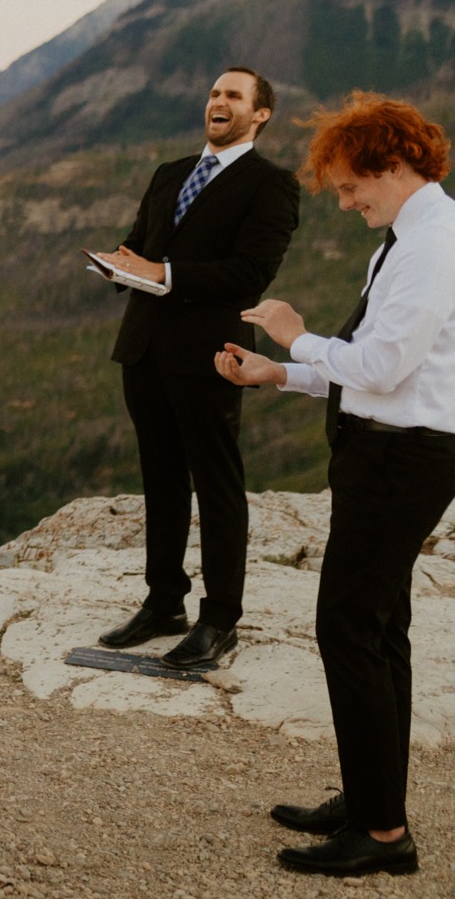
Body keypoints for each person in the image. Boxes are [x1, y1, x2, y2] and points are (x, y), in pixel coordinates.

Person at [216, 92, 455, 877]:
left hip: (403, 458)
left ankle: (383, 837)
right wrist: (281, 372)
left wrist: (296, 333)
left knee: (347, 628)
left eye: (352, 185)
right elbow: (372, 371)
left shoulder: (431, 246)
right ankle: (371, 799)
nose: (346, 201)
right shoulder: (405, 239)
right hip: (388, 446)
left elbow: (384, 369)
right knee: (380, 632)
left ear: (395, 163)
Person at [91, 67, 299, 668]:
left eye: (233, 95)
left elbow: (250, 275)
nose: (218, 101)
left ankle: (220, 618)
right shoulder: (169, 174)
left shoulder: (271, 187)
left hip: (212, 357)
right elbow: (140, 245)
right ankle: (163, 601)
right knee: (160, 478)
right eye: (213, 92)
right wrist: (119, 264)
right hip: (145, 349)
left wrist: (166, 275)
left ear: (260, 114)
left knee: (217, 485)